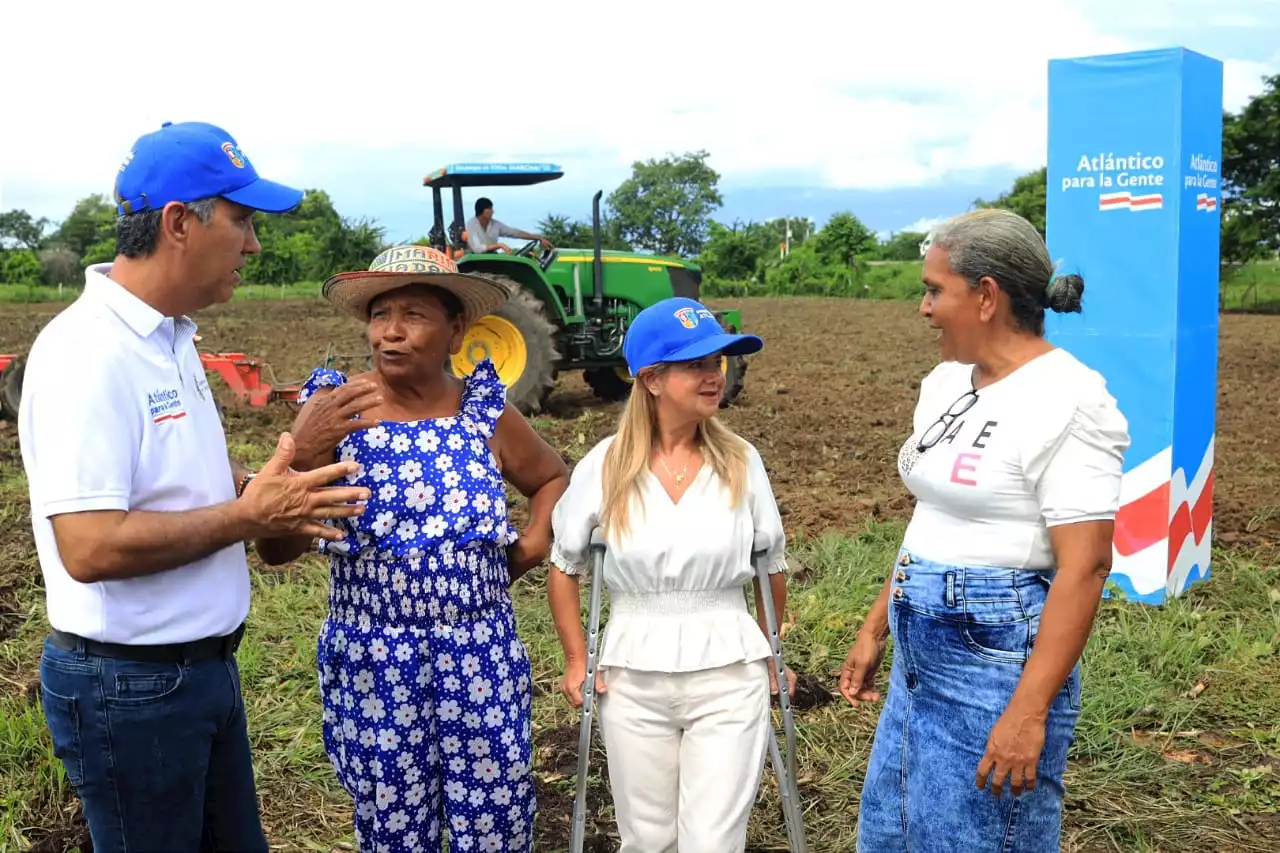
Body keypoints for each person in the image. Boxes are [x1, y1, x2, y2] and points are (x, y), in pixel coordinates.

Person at [18, 121, 372, 852]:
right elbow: (88, 545)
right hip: (131, 690)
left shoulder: (172, 338)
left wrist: (275, 483)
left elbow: (178, 484)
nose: (254, 244)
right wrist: (249, 513)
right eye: (241, 219)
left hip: (199, 672)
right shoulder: (86, 354)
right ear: (180, 222)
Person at [252, 244, 570, 853]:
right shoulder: (336, 412)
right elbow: (274, 549)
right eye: (380, 314)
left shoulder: (483, 412)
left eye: (414, 315)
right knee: (395, 828)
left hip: (479, 655)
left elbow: (552, 478)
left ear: (456, 330)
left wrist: (528, 547)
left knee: (496, 822)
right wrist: (309, 450)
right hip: (376, 659)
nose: (390, 333)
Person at [839, 208, 1131, 851]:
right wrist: (875, 624)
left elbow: (1084, 567)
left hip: (994, 663)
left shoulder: (1071, 399)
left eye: (934, 289)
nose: (923, 307)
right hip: (919, 656)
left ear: (987, 295)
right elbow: (934, 513)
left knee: (980, 836)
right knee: (892, 834)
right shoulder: (944, 383)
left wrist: (1028, 713)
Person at [547, 296, 797, 852]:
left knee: (713, 842)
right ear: (652, 379)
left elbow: (770, 568)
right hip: (632, 672)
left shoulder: (742, 461)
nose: (714, 376)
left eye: (717, 363)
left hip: (729, 667)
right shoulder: (605, 465)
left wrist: (774, 653)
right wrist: (575, 659)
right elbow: (564, 567)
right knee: (648, 839)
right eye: (697, 364)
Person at [465, 196, 553, 254]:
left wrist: (538, 238)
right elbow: (477, 249)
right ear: (483, 211)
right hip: (476, 259)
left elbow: (515, 233)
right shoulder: (471, 225)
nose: (493, 211)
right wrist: (500, 245)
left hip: (492, 257)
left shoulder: (495, 224)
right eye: (490, 209)